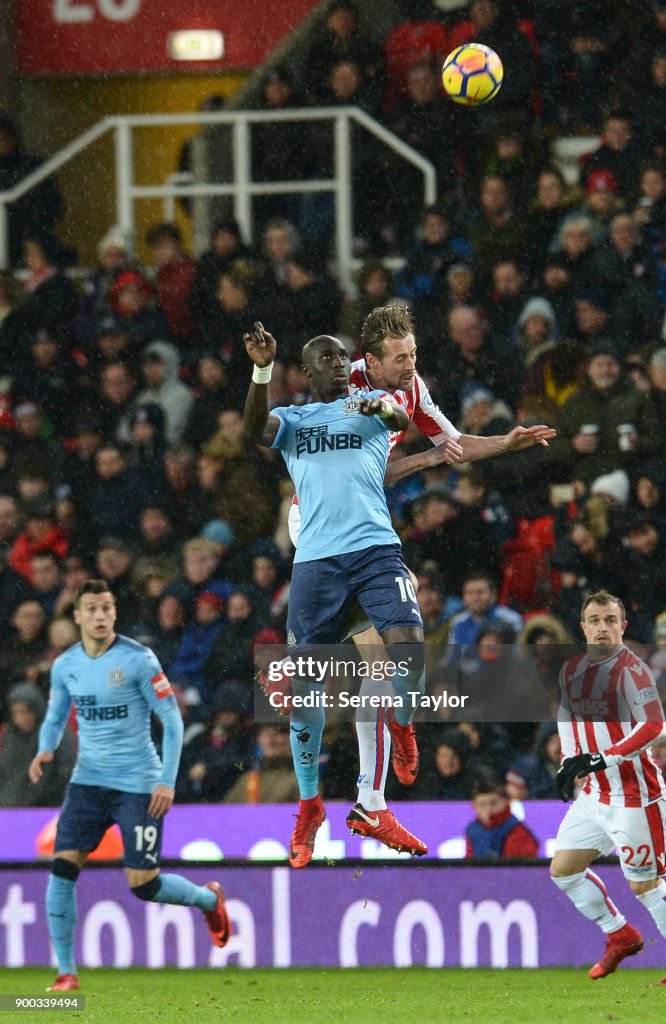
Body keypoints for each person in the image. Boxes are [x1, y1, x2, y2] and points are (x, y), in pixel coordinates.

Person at [280, 304, 554, 853]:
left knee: (388, 671)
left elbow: (450, 444)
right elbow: (374, 466)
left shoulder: (409, 387)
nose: (410, 365)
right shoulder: (344, 385)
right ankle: (352, 799)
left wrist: (504, 441)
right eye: (400, 358)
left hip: (364, 527)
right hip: (320, 529)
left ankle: (374, 794)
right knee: (357, 670)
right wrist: (428, 460)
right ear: (369, 361)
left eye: (414, 354)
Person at [243, 324, 428, 868]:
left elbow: (400, 419)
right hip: (318, 566)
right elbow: (254, 428)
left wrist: (384, 412)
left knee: (410, 655)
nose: (339, 363)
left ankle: (401, 722)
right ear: (306, 371)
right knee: (307, 690)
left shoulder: (371, 405)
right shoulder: (296, 421)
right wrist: (261, 371)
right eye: (327, 357)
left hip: (375, 552)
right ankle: (311, 806)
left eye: (343, 356)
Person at [28, 579, 231, 992]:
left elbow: (172, 721)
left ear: (114, 613)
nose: (101, 616)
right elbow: (54, 715)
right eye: (93, 609)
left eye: (107, 608)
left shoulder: (138, 659)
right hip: (87, 785)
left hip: (137, 785)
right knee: (62, 871)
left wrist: (165, 781)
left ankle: (209, 900)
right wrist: (45, 749)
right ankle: (66, 974)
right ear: (78, 615)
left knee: (144, 885)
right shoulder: (66, 665)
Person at [551, 590, 666, 982]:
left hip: (634, 795)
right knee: (564, 870)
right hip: (595, 795)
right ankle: (620, 935)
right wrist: (569, 763)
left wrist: (605, 757)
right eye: (595, 621)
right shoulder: (571, 669)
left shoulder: (633, 671)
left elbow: (654, 725)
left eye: (610, 620)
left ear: (623, 626)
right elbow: (566, 717)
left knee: (646, 886)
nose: (603, 628)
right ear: (583, 628)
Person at [465, 777, 539, 858]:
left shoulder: (517, 830)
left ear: (506, 801)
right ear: (474, 806)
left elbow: (517, 867)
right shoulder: (473, 830)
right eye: (482, 804)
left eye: (493, 803)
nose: (488, 809)